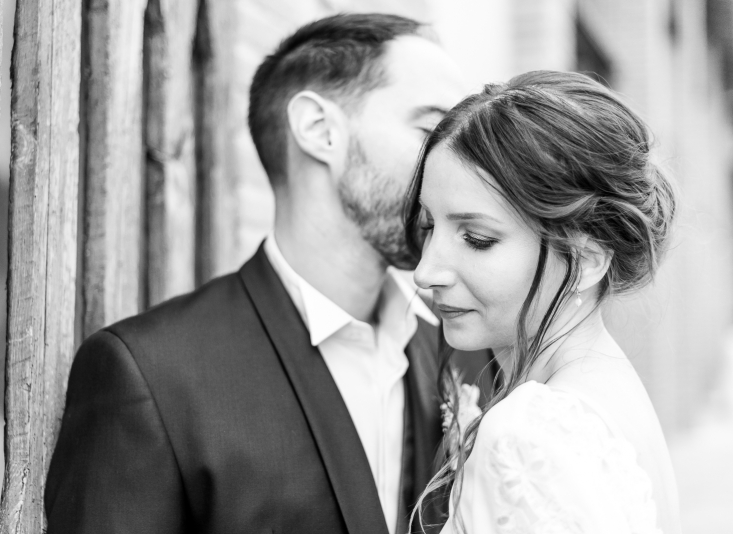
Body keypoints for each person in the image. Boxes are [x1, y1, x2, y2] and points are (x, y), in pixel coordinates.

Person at [45, 13, 493, 534]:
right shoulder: (150, 376)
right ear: (319, 130)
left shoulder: (460, 354)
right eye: (430, 129)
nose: (456, 165)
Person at [405, 71, 683, 533]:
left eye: (476, 238)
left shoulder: (528, 434)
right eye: (429, 226)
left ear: (587, 259)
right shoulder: (608, 392)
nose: (425, 272)